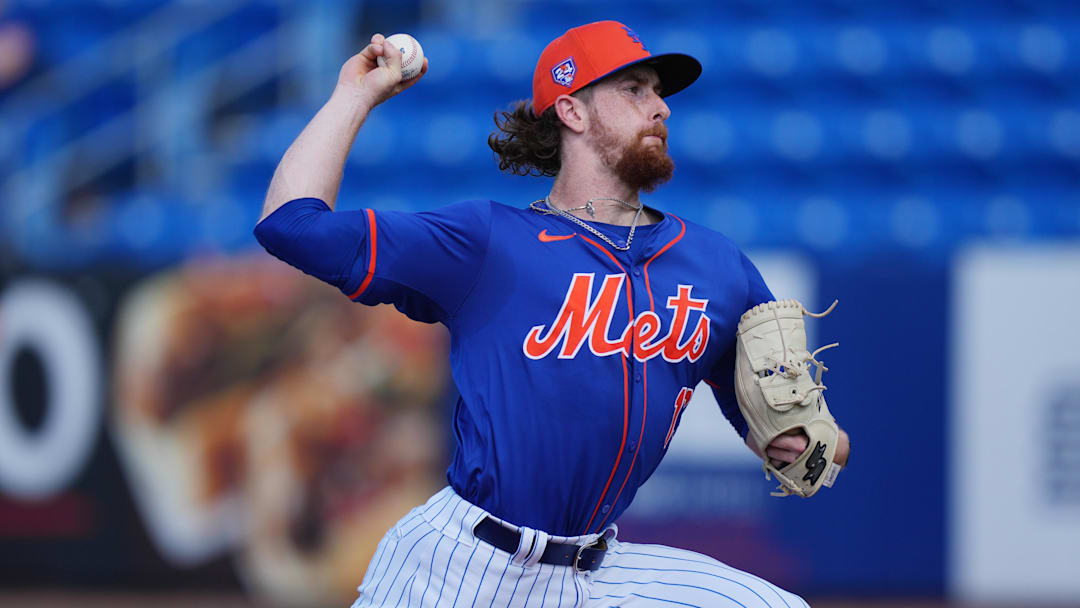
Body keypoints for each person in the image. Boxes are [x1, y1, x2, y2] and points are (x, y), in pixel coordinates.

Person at [255, 20, 850, 608]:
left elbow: (797, 440)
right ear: (572, 111)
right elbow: (291, 226)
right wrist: (353, 96)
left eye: (660, 93)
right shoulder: (486, 243)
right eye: (635, 89)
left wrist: (805, 444)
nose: (661, 108)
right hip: (460, 570)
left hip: (595, 570)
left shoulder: (716, 266)